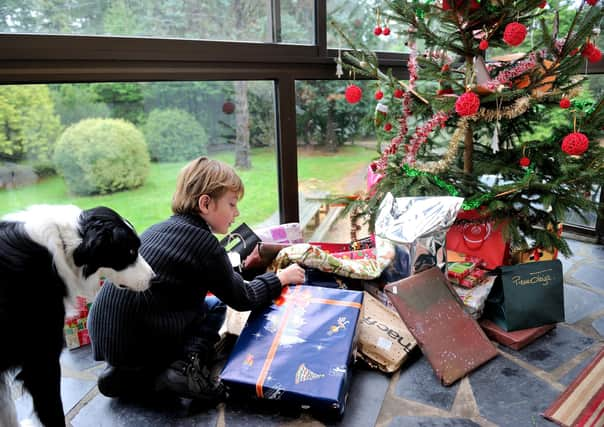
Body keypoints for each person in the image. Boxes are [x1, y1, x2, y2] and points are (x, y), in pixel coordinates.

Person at [88, 156, 305, 401]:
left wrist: (242, 268)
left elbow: (210, 276)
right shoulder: (205, 243)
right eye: (232, 204)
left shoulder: (156, 229)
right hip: (141, 338)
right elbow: (243, 298)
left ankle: (131, 372)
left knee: (180, 308)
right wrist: (281, 277)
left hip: (106, 334)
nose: (237, 212)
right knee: (215, 306)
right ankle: (185, 367)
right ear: (205, 204)